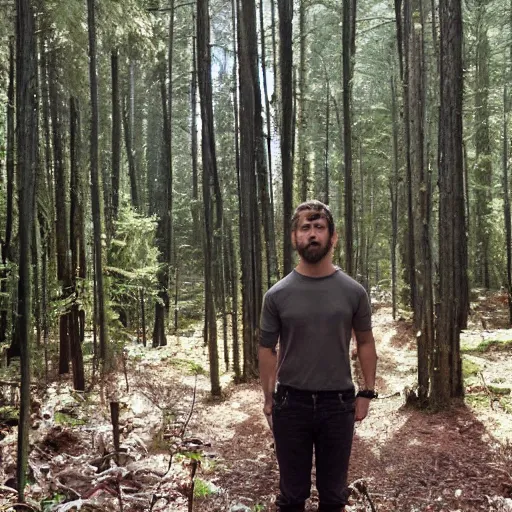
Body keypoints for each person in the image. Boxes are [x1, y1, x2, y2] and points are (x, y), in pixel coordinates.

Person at [259, 200, 378, 512]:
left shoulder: (353, 292)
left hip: (337, 405)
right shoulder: (277, 295)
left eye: (319, 227)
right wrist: (268, 398)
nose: (312, 234)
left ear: (332, 237)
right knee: (291, 496)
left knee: (334, 497)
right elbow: (266, 348)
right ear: (294, 237)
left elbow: (365, 342)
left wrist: (366, 391)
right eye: (305, 227)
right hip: (290, 403)